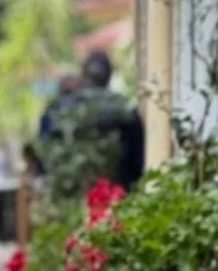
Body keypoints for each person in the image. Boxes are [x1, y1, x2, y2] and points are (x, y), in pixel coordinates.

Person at [40, 49, 144, 197]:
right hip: (115, 196)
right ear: (109, 75)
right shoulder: (125, 109)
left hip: (68, 196)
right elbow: (138, 159)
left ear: (83, 74)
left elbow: (43, 149)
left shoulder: (58, 109)